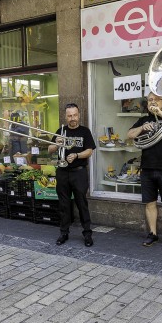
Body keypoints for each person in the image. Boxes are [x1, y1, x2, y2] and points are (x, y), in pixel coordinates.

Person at [127, 92, 162, 248]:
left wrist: (161, 113)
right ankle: (153, 233)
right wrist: (142, 128)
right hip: (147, 168)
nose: (151, 102)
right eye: (149, 100)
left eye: (155, 100)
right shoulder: (143, 120)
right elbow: (129, 134)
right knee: (150, 203)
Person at [48, 103, 96, 247]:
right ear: (65, 116)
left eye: (75, 115)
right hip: (62, 172)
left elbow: (90, 151)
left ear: (79, 115)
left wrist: (76, 155)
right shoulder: (60, 131)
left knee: (82, 203)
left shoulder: (84, 131)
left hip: (79, 172)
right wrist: (57, 144)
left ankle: (87, 233)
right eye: (69, 116)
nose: (72, 118)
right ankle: (64, 233)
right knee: (63, 204)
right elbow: (50, 149)